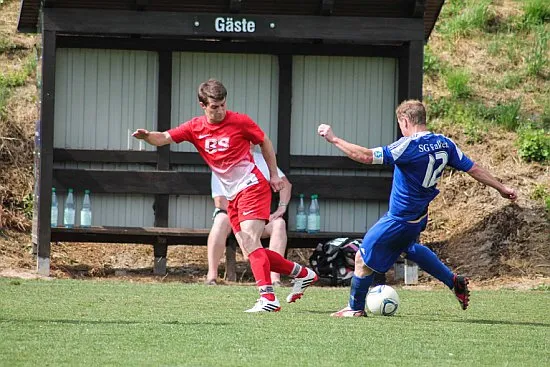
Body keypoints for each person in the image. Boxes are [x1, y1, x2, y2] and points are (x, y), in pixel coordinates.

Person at [318, 99, 517, 317]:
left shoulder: (408, 146)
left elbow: (366, 156)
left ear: (405, 121)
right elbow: (474, 168)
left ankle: (354, 309)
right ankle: (453, 281)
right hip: (419, 216)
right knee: (410, 248)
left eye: (400, 124)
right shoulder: (444, 143)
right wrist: (501, 187)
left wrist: (334, 139)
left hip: (399, 219)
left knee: (361, 259)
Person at [133, 79, 317, 312]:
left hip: (252, 186)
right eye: (214, 107)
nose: (220, 110)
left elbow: (265, 143)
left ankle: (268, 298)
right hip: (232, 196)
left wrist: (273, 175)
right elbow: (163, 138)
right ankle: (302, 273)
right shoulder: (194, 127)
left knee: (251, 240)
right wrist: (147, 136)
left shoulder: (240, 121)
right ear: (203, 105)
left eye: (222, 105)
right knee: (251, 249)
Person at [207, 146, 292, 286]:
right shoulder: (222, 163)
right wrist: (243, 216)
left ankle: (274, 278)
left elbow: (285, 184)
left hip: (258, 215)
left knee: (279, 224)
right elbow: (220, 201)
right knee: (220, 220)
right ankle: (212, 276)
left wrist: (280, 209)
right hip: (232, 215)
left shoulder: (263, 161)